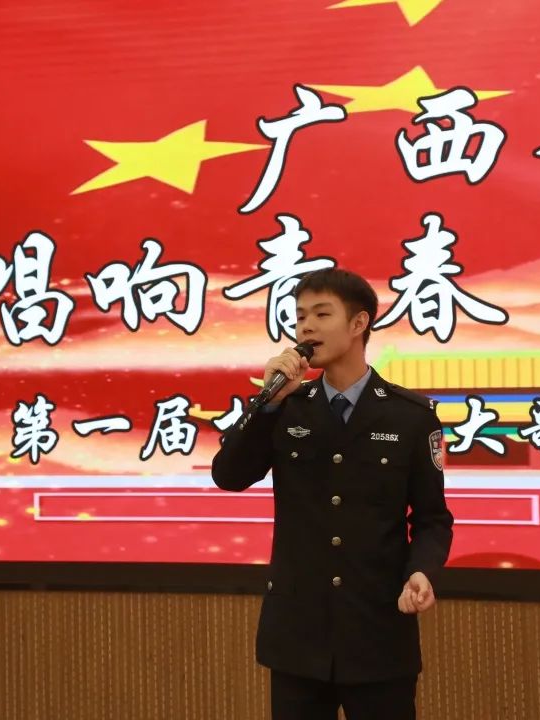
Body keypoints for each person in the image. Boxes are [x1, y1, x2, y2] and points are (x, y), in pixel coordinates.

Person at [212, 268, 454, 720]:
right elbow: (228, 475)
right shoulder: (285, 407)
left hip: (378, 634)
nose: (306, 327)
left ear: (359, 323)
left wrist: (421, 571)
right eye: (300, 316)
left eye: (322, 314)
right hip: (297, 636)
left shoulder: (410, 416)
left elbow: (432, 519)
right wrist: (268, 405)